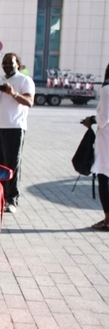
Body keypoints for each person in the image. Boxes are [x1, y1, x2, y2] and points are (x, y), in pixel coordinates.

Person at [0, 52, 35, 213]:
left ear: (17, 64)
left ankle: (12, 199)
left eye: (10, 63)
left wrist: (13, 93)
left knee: (12, 164)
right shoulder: (1, 81)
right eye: (4, 63)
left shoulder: (24, 80)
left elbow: (29, 102)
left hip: (15, 128)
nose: (7, 65)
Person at [83, 62, 109, 230]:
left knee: (104, 178)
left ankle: (108, 219)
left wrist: (91, 119)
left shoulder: (107, 90)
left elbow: (104, 118)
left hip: (107, 141)